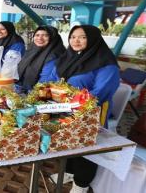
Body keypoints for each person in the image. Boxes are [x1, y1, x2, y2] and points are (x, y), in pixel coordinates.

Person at [42, 25, 120, 193]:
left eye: (82, 37)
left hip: (90, 112)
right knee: (67, 140)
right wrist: (48, 96)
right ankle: (69, 172)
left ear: (92, 38)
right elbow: (52, 81)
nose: (76, 40)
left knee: (86, 146)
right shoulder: (66, 58)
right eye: (73, 37)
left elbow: (101, 92)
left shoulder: (106, 63)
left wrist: (73, 104)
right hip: (63, 108)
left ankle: (82, 184)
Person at [17, 26, 65, 91]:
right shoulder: (31, 51)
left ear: (52, 38)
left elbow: (44, 83)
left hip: (37, 96)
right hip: (22, 91)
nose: (40, 38)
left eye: (45, 35)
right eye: (37, 35)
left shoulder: (54, 57)